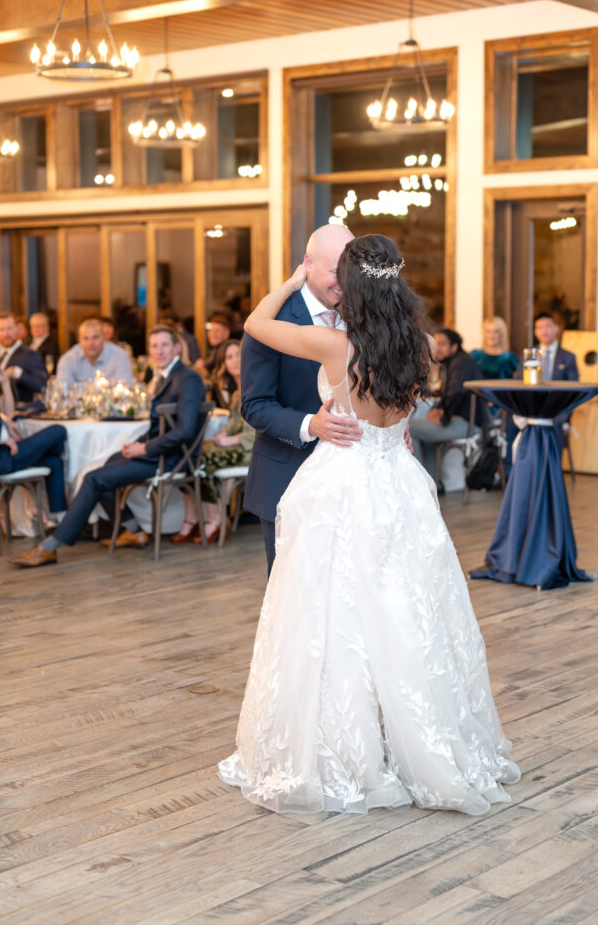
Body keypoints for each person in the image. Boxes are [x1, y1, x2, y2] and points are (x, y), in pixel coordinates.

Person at [218, 234, 519, 815]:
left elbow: (256, 323)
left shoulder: (335, 345)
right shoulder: (420, 344)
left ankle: (349, 751)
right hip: (398, 484)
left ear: (353, 285)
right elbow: (402, 415)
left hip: (342, 486)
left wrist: (291, 277)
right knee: (404, 612)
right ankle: (411, 740)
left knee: (331, 620)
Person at [9, 325, 206, 568]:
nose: (159, 351)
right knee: (106, 465)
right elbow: (161, 426)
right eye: (154, 346)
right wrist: (137, 444)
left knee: (93, 478)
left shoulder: (187, 378)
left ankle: (50, 546)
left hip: (172, 458)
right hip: (158, 452)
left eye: (164, 345)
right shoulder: (165, 376)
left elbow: (184, 430)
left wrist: (144, 449)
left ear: (176, 347)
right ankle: (134, 529)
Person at [241, 223, 361, 575]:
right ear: (308, 263)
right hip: (287, 477)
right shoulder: (268, 320)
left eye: (349, 272)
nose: (343, 282)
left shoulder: (365, 316)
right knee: (291, 598)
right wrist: (312, 424)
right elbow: (254, 404)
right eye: (334, 272)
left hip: (354, 484)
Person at [172, 339, 254, 545]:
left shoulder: (256, 388)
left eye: (239, 354)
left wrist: (233, 440)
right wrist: (224, 434)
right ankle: (192, 517)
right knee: (186, 453)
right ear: (224, 364)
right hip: (241, 446)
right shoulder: (237, 393)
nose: (235, 360)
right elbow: (236, 422)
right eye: (229, 357)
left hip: (255, 450)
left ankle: (215, 518)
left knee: (201, 460)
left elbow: (261, 431)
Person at [504, 311, 579, 476]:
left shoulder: (568, 357)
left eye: (548, 326)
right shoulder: (528, 355)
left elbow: (574, 390)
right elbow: (518, 381)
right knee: (510, 424)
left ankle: (552, 473)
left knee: (555, 425)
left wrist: (563, 415)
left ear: (556, 329)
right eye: (540, 327)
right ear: (535, 331)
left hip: (555, 410)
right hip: (530, 408)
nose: (544, 331)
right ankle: (512, 474)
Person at [409, 328, 483, 481]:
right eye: (436, 343)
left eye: (443, 344)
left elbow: (456, 392)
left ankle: (419, 482)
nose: (437, 348)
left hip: (469, 423)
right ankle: (432, 481)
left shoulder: (460, 363)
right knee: (424, 432)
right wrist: (439, 410)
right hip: (463, 419)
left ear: (454, 347)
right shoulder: (456, 362)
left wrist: (444, 417)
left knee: (409, 428)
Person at [0, 412, 67, 525]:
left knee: (55, 462)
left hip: (5, 455)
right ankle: (43, 453)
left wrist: (6, 429)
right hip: (3, 457)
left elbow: (6, 412)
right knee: (59, 430)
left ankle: (61, 519)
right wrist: (4, 437)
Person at [56, 318, 134, 388]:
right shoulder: (68, 359)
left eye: (95, 337)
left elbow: (124, 391)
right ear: (79, 340)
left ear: (104, 337)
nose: (91, 343)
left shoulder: (120, 357)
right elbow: (63, 392)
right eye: (86, 338)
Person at [0, 311, 47, 403]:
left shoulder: (30, 354)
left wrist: (18, 373)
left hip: (17, 412)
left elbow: (42, 386)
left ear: (17, 329)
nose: (6, 334)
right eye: (1, 329)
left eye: (9, 328)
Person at [470, 316, 518, 381]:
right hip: (478, 391)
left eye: (496, 331)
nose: (491, 335)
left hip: (502, 390)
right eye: (488, 331)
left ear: (501, 334)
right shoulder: (475, 355)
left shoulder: (509, 358)